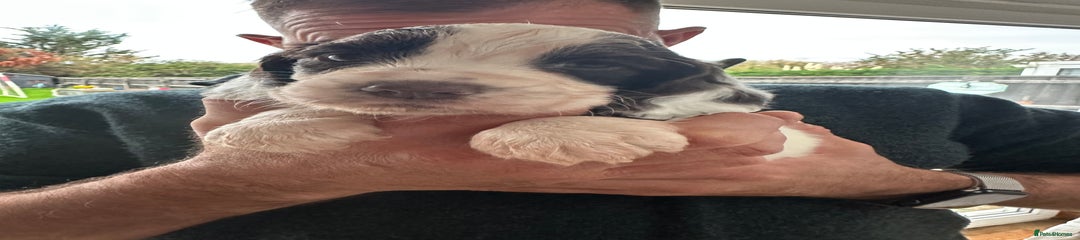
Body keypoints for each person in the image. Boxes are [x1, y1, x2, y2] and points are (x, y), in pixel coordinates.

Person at [0, 0, 1077, 239]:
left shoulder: (892, 118)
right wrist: (237, 180)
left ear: (670, 48)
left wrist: (901, 184)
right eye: (374, 51)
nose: (453, 79)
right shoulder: (115, 134)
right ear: (275, 54)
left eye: (544, 40)